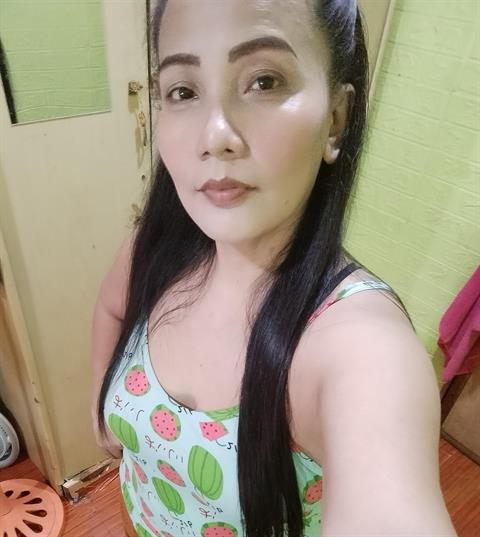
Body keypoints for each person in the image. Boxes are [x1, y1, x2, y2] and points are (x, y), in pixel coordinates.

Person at [91, 1, 457, 536]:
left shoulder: (360, 347)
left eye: (264, 81)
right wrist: (101, 409)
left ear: (336, 120)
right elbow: (109, 308)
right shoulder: (155, 250)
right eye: (183, 91)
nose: (214, 135)